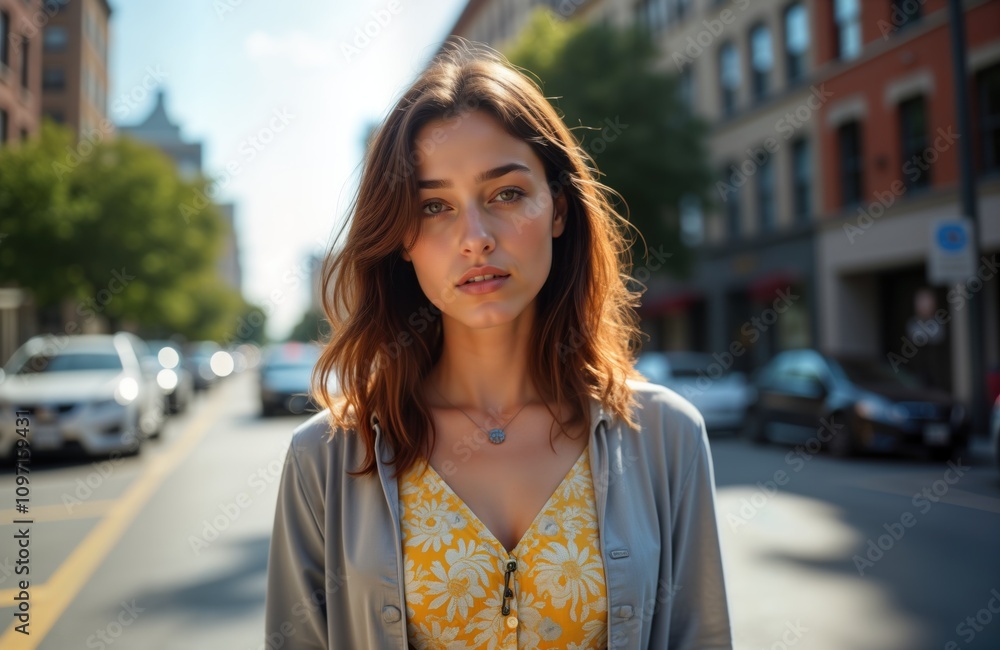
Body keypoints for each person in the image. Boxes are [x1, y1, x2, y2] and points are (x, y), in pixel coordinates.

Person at [265, 40, 732, 650]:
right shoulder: (324, 460)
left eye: (506, 193)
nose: (475, 238)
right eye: (434, 206)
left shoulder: (668, 439)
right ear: (402, 239)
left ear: (558, 209)